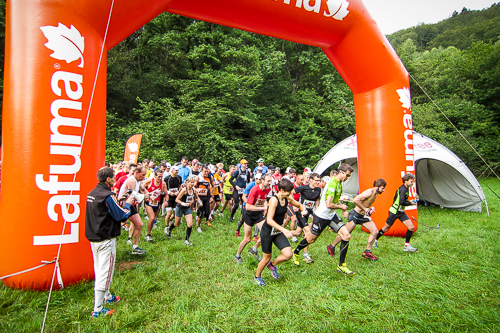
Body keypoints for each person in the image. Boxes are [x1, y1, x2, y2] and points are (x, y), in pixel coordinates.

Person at [85, 167, 135, 317]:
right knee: (105, 272)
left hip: (94, 236)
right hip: (106, 238)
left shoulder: (92, 193)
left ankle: (106, 296)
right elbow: (121, 216)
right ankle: (98, 309)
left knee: (99, 268)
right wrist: (128, 204)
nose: (115, 179)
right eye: (113, 177)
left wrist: (116, 201)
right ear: (108, 180)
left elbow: (103, 211)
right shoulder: (108, 195)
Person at [293, 164, 355, 276]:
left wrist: (342, 208)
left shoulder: (339, 183)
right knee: (311, 239)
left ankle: (341, 265)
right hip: (322, 216)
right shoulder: (332, 183)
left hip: (331, 215)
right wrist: (341, 207)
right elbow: (329, 204)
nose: (348, 178)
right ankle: (296, 252)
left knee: (346, 235)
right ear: (341, 172)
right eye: (347, 175)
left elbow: (336, 199)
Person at [254, 178, 307, 286]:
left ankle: (272, 265)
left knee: (288, 254)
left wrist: (303, 209)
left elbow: (299, 204)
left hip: (277, 231)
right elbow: (269, 220)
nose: (291, 193)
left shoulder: (287, 197)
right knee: (266, 257)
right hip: (268, 231)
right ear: (281, 190)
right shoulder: (274, 200)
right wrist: (284, 230)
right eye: (289, 191)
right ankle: (257, 277)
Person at [327, 179, 387, 261]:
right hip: (355, 214)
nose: (384, 190)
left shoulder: (375, 193)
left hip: (363, 216)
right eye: (382, 188)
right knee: (346, 234)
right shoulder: (369, 192)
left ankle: (367, 252)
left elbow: (366, 203)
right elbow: (355, 200)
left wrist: (369, 209)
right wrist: (365, 209)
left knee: (375, 231)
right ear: (377, 186)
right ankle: (331, 247)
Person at [234, 173, 272, 264]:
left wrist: (265, 207)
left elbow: (265, 200)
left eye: (271, 181)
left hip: (258, 214)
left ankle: (254, 249)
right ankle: (237, 256)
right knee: (247, 239)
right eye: (268, 181)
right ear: (262, 181)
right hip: (249, 214)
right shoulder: (254, 190)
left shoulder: (268, 189)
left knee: (267, 234)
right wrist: (263, 208)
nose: (270, 183)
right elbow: (248, 207)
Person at [374, 173, 418, 252]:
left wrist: (409, 201)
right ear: (406, 181)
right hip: (394, 212)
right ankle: (375, 240)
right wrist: (411, 203)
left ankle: (406, 246)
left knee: (411, 227)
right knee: (385, 228)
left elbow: (398, 200)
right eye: (411, 181)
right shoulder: (403, 189)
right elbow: (401, 202)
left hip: (400, 212)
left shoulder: (406, 188)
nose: (413, 183)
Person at [291, 173, 322, 266]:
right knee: (308, 233)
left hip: (309, 212)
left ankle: (281, 233)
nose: (318, 182)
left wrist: (316, 206)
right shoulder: (304, 188)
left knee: (297, 233)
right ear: (311, 180)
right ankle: (305, 255)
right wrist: (295, 204)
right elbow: (291, 192)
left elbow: (317, 198)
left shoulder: (318, 189)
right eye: (316, 180)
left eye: (319, 180)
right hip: (301, 212)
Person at [118, 165, 150, 255]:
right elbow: (132, 194)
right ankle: (108, 237)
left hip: (130, 205)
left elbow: (143, 189)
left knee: (139, 224)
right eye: (142, 175)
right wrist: (143, 196)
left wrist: (147, 194)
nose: (143, 177)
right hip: (124, 205)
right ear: (136, 173)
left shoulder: (138, 180)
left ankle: (135, 247)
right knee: (121, 224)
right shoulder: (131, 180)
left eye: (145, 175)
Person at [165, 175, 201, 246]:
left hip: (187, 208)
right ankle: (169, 229)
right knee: (176, 224)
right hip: (180, 207)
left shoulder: (193, 190)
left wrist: (200, 202)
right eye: (191, 182)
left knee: (190, 224)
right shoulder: (184, 190)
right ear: (187, 182)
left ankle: (187, 240)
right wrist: (183, 203)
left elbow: (197, 197)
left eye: (193, 182)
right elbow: (177, 200)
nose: (192, 184)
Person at [142, 169, 167, 242]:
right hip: (149, 202)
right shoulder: (150, 181)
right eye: (159, 176)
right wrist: (146, 195)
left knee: (154, 219)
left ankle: (149, 232)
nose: (160, 178)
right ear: (155, 176)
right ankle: (148, 234)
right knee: (152, 217)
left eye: (161, 176)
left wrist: (166, 200)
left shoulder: (163, 183)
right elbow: (141, 188)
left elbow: (166, 194)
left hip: (157, 202)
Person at [163, 165, 182, 233]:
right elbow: (164, 188)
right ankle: (166, 226)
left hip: (175, 198)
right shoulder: (167, 178)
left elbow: (180, 186)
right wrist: (169, 192)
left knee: (175, 213)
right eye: (176, 170)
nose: (177, 172)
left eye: (178, 170)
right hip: (169, 197)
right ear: (172, 171)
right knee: (168, 213)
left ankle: (170, 220)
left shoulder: (179, 178)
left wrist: (178, 192)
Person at [195, 166, 215, 231]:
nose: (206, 173)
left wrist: (212, 196)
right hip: (200, 197)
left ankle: (201, 219)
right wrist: (197, 190)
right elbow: (194, 187)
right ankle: (198, 226)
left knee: (207, 212)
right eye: (205, 172)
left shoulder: (210, 177)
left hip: (206, 196)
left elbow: (213, 186)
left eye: (207, 172)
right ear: (201, 171)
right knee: (201, 212)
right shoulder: (198, 177)